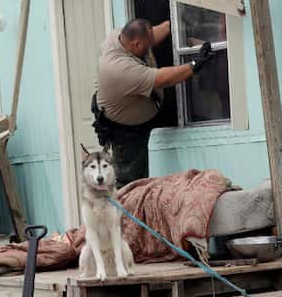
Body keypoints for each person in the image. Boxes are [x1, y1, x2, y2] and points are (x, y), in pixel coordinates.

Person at [92, 18, 215, 187]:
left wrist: (182, 25)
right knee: (132, 185)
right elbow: (163, 79)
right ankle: (128, 213)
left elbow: (157, 32)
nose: (151, 47)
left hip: (140, 109)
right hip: (126, 133)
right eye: (147, 46)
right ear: (136, 45)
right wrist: (195, 64)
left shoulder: (123, 37)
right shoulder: (120, 68)